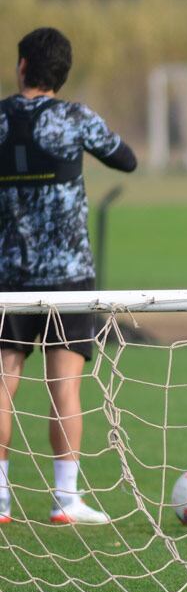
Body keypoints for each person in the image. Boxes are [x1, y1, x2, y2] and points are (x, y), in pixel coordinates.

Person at [0, 27, 137, 525]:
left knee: (2, 381)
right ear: (62, 74)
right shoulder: (75, 117)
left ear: (21, 67)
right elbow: (126, 159)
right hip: (69, 277)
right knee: (65, 388)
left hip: (7, 276)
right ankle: (65, 500)